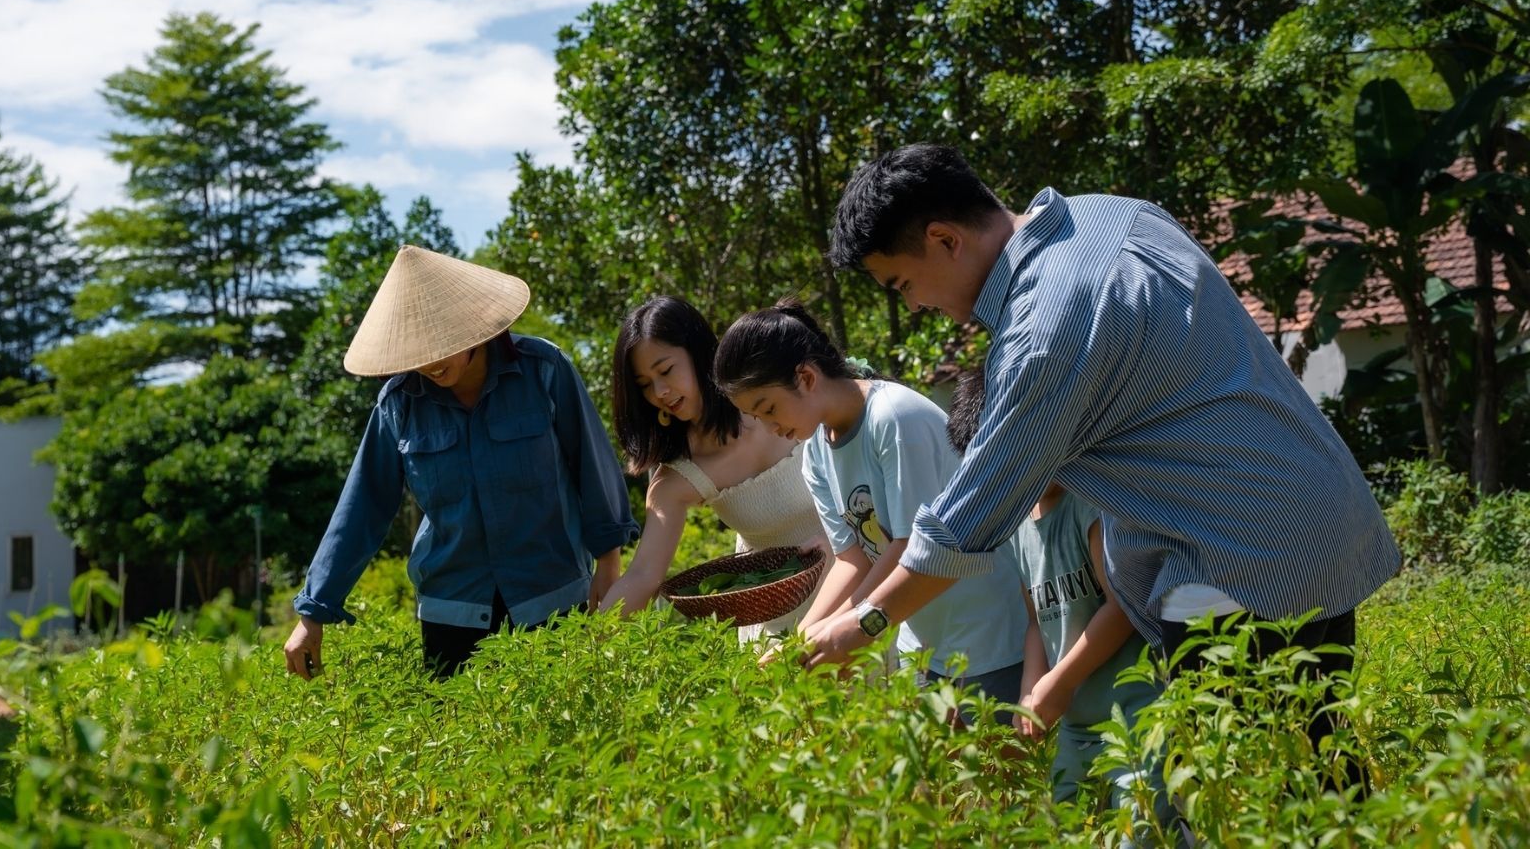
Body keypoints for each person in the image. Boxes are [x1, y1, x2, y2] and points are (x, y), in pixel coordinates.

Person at [800, 143, 1401, 762]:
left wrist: (867, 621)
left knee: (1252, 792)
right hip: (1316, 522)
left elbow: (967, 522)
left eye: (903, 283)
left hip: (1232, 566)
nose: (914, 303)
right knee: (1323, 775)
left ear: (945, 239)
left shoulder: (1043, 331)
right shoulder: (1112, 214)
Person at [284, 246, 639, 679]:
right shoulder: (399, 404)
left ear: (471, 328)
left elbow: (593, 467)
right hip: (452, 612)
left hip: (554, 598)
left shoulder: (543, 371)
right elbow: (362, 507)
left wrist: (609, 564)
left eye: (442, 343)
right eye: (418, 350)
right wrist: (312, 614)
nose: (431, 362)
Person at [713, 300, 1028, 704]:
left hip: (988, 636)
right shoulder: (817, 451)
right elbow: (851, 559)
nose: (772, 428)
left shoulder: (893, 418)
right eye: (758, 417)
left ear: (806, 377)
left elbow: (909, 547)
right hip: (925, 646)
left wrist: (853, 625)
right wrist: (800, 642)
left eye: (769, 408)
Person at [948, 370, 1166, 811]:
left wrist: (1059, 683)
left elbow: (1124, 606)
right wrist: (1031, 694)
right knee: (1066, 824)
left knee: (1143, 833)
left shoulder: (1089, 501)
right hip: (1077, 725)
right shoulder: (1018, 525)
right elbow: (1035, 621)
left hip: (1138, 715)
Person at [598, 297, 827, 637]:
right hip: (781, 625)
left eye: (665, 371)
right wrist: (584, 645)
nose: (660, 391)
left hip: (862, 578)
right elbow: (643, 575)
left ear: (698, 353)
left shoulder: (776, 397)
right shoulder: (678, 478)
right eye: (645, 384)